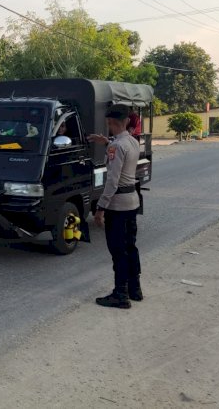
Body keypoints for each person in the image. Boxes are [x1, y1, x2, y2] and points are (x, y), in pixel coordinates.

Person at [87, 105, 141, 309]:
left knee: (118, 250)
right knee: (130, 246)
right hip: (132, 202)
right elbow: (121, 148)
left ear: (110, 122)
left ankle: (120, 294)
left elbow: (112, 181)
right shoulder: (132, 141)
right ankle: (135, 289)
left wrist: (100, 208)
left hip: (117, 206)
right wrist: (107, 141)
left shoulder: (116, 147)